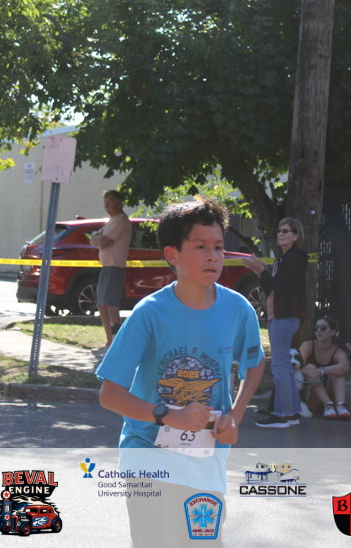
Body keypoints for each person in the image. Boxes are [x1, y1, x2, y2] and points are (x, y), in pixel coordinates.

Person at [96, 199, 265, 544]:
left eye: (218, 247)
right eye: (200, 247)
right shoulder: (149, 313)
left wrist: (235, 415)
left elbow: (255, 363)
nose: (213, 256)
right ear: (172, 255)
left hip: (206, 459)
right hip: (147, 455)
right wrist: (169, 415)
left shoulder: (238, 309)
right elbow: (110, 395)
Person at [243, 217, 308, 429]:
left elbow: (280, 287)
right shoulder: (285, 259)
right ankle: (292, 413)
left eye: (286, 231)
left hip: (284, 316)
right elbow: (272, 287)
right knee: (284, 368)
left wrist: (262, 270)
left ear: (296, 236)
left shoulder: (294, 259)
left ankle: (282, 415)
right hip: (278, 315)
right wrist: (259, 271)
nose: (281, 234)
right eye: (280, 230)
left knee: (280, 367)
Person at [89, 190, 132, 353]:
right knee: (102, 305)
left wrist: (96, 238)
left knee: (112, 306)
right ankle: (109, 342)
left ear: (119, 202)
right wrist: (96, 238)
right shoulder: (111, 221)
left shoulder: (120, 220)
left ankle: (116, 345)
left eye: (111, 201)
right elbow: (96, 238)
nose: (108, 206)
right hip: (106, 267)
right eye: (105, 202)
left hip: (114, 267)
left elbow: (102, 242)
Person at [299, 315, 351, 419]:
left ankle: (341, 406)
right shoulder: (308, 345)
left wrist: (321, 371)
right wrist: (310, 372)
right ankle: (328, 405)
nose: (319, 331)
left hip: (332, 394)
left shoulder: (338, 352)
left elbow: (345, 367)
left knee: (337, 372)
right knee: (310, 367)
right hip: (313, 397)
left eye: (323, 328)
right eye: (316, 328)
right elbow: (298, 365)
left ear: (333, 332)